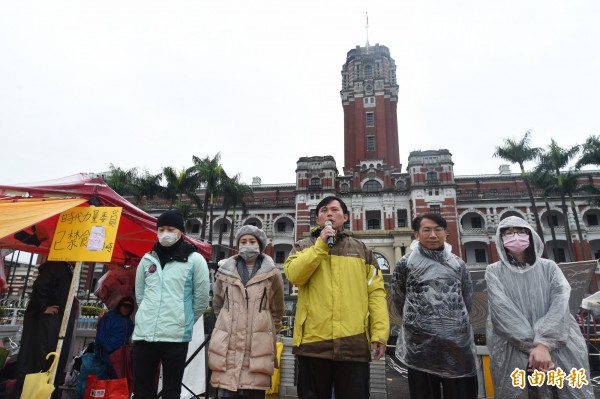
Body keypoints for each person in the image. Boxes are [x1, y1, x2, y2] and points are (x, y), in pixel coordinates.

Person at [284, 196, 389, 399]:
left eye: (334, 209)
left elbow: (376, 293)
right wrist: (320, 246)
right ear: (317, 219)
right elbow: (294, 275)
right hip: (313, 343)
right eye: (324, 210)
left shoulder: (362, 250)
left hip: (353, 343)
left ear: (345, 217)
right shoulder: (303, 246)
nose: (329, 213)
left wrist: (379, 332)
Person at [486, 216, 594, 398]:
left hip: (560, 344)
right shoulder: (494, 271)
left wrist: (544, 344)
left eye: (520, 231)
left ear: (530, 235)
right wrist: (533, 348)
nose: (516, 236)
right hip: (513, 348)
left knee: (569, 390)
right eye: (509, 232)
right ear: (501, 238)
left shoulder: (549, 267)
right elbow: (502, 312)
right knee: (519, 391)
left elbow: (560, 303)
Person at [391, 213, 477, 399]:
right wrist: (419, 322)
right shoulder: (405, 264)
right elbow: (399, 298)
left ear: (446, 232)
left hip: (456, 345)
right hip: (420, 346)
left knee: (461, 392)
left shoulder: (458, 264)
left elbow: (466, 298)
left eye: (438, 229)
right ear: (416, 234)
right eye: (427, 230)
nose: (433, 235)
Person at [132, 209, 210, 399]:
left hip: (175, 337)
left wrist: (183, 320)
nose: (165, 233)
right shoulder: (147, 259)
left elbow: (201, 299)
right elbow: (141, 296)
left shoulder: (195, 260)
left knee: (171, 391)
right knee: (141, 390)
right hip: (144, 335)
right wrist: (148, 316)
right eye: (161, 229)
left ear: (181, 232)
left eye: (170, 229)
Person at [208, 225, 284, 399]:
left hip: (258, 344)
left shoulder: (272, 274)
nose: (247, 245)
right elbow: (218, 303)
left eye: (252, 241)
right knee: (226, 392)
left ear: (260, 245)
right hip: (229, 343)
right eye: (243, 241)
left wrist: (267, 328)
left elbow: (277, 309)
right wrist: (227, 321)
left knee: (253, 392)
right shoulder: (224, 272)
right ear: (237, 245)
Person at [12, 260, 77, 399]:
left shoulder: (63, 268)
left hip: (51, 323)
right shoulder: (56, 266)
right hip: (46, 325)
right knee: (40, 363)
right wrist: (43, 307)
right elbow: (40, 285)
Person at [95, 296, 135, 394]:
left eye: (129, 307)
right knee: (108, 383)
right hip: (108, 357)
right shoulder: (108, 317)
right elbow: (102, 336)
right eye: (124, 305)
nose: (126, 308)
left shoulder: (128, 321)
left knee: (118, 384)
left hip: (121, 357)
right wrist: (111, 351)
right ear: (120, 305)